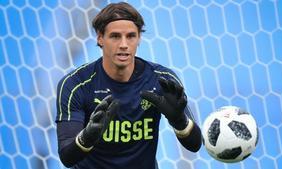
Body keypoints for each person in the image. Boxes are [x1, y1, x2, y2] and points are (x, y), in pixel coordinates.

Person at [56, 2, 202, 169]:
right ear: (100, 38)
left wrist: (179, 121)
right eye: (115, 36)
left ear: (139, 38)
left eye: (131, 36)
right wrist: (87, 137)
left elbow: (195, 144)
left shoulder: (162, 80)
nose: (124, 44)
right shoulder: (76, 84)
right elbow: (67, 157)